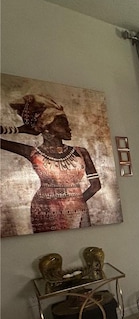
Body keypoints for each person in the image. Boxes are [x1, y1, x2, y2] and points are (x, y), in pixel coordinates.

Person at [1, 94, 101, 233]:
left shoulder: (80, 152)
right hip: (44, 210)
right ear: (46, 127)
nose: (69, 128)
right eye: (62, 123)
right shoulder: (33, 152)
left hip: (76, 209)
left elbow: (95, 186)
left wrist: (75, 204)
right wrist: (20, 129)